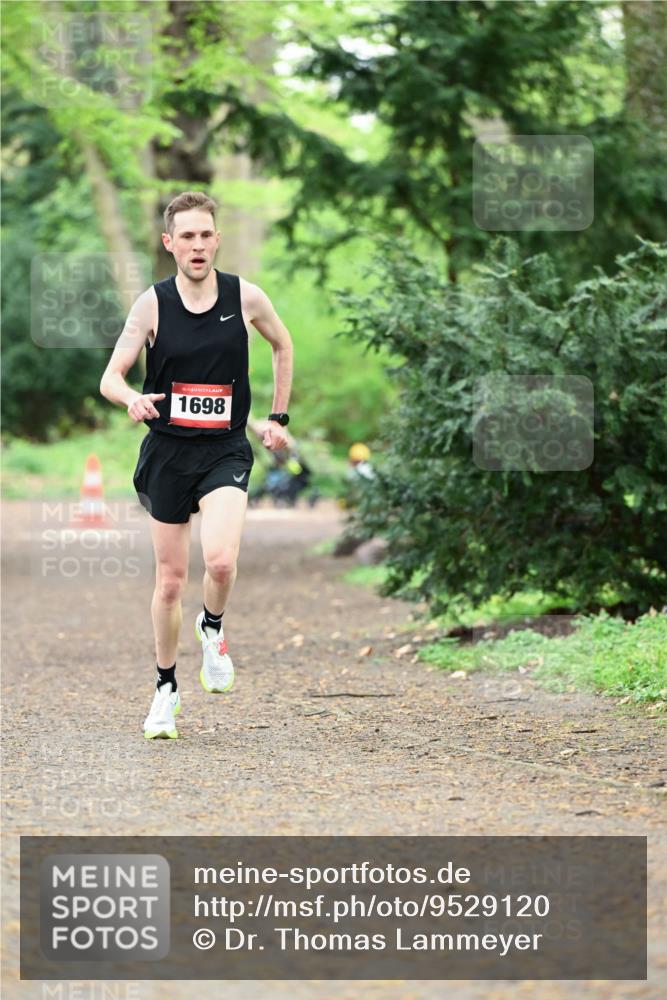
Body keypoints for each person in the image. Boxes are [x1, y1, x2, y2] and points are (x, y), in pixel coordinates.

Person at [100, 191, 293, 739]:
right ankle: (165, 689)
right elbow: (110, 376)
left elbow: (283, 346)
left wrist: (277, 415)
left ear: (218, 238)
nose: (198, 244)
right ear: (170, 243)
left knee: (222, 562)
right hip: (167, 453)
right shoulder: (152, 305)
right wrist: (130, 399)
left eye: (206, 234)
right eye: (186, 236)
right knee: (169, 584)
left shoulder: (246, 297)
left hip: (226, 448)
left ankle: (212, 627)